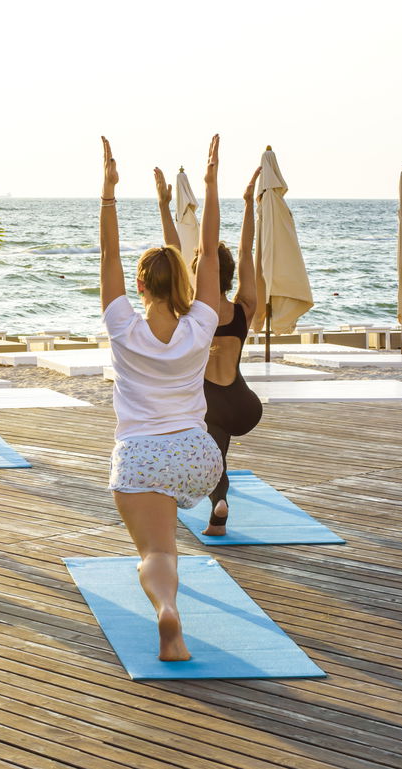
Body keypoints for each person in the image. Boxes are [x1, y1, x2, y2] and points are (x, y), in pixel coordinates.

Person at [100, 134, 224, 661]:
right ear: (185, 282)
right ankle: (170, 607)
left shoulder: (124, 326)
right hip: (199, 456)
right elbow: (211, 252)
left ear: (140, 286)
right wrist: (213, 184)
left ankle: (166, 609)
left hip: (143, 454)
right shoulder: (201, 323)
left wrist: (108, 192)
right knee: (168, 531)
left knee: (155, 552)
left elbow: (107, 251)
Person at [156, 167, 266, 536]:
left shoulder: (189, 312)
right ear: (230, 276)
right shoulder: (244, 307)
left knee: (212, 454)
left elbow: (171, 254)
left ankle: (218, 500)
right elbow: (246, 248)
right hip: (245, 404)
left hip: (209, 403)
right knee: (219, 449)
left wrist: (163, 205)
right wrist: (249, 204)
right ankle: (217, 505)